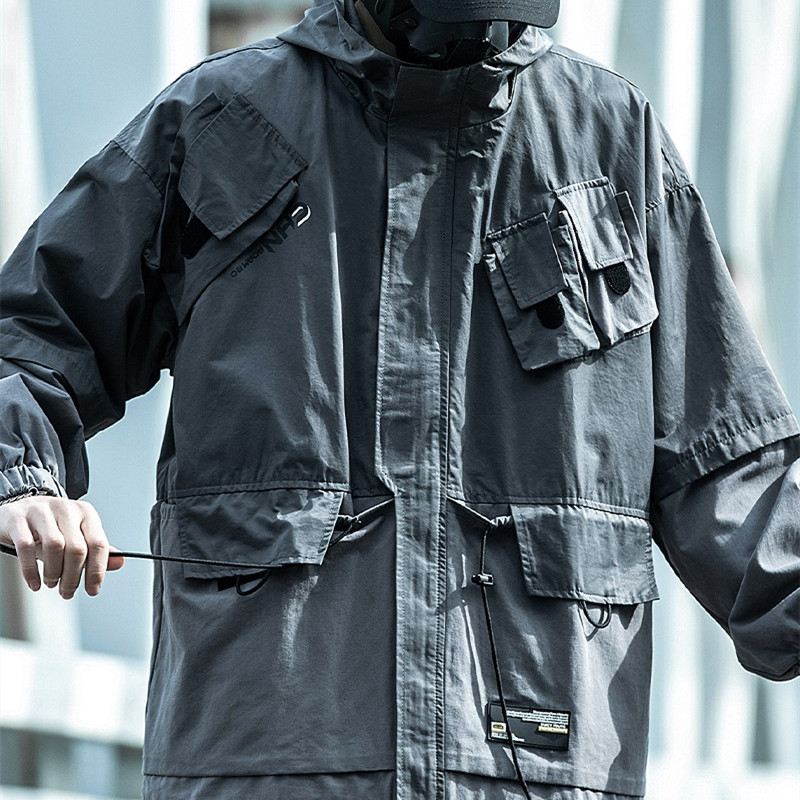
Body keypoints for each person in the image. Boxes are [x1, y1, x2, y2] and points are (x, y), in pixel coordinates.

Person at [1, 1, 798, 798]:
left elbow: (729, 468)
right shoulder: (222, 124)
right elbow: (31, 337)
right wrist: (24, 482)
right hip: (270, 771)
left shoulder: (609, 141)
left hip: (531, 773)